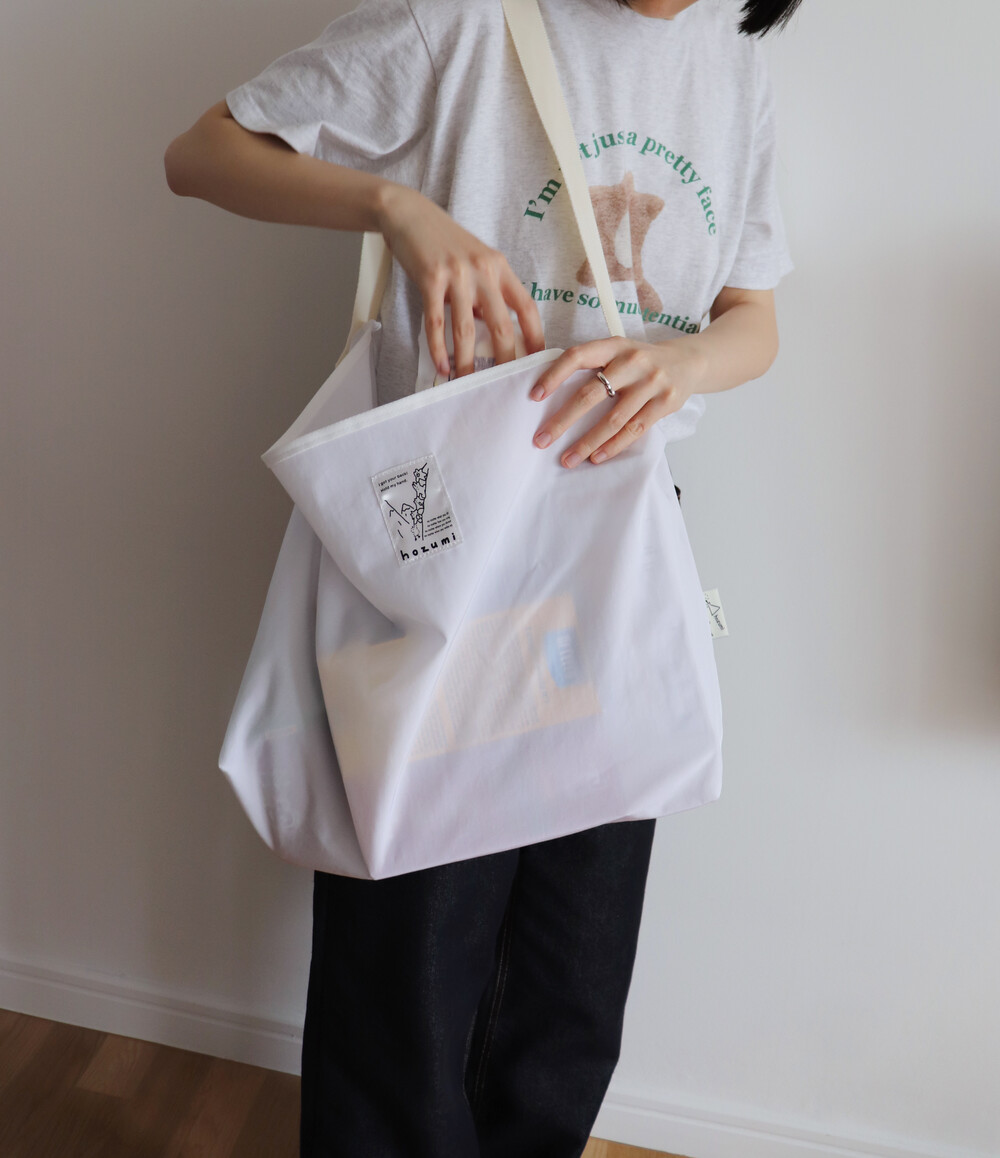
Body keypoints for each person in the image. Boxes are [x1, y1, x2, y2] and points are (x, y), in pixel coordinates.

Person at [165, 0, 799, 1153]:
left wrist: (685, 363)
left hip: (620, 546)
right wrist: (396, 208)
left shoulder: (731, 55)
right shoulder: (458, 19)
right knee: (407, 961)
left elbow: (751, 313)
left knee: (571, 982)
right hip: (445, 548)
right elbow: (200, 153)